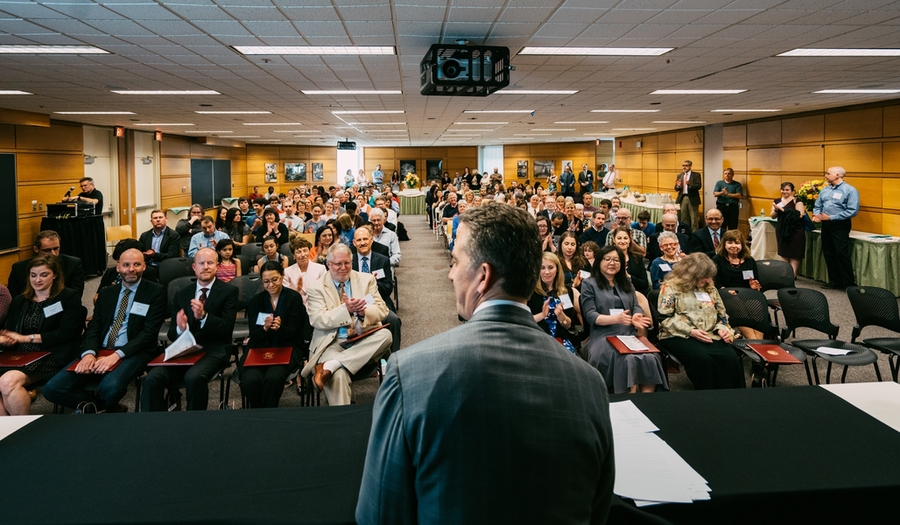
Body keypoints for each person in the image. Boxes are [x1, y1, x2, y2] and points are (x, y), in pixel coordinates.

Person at [356, 204, 614, 524]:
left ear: (483, 275)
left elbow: (379, 514)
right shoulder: (590, 382)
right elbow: (599, 507)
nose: (450, 274)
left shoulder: (408, 373)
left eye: (455, 262)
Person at [43, 248, 166, 412]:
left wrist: (116, 355)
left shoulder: (156, 292)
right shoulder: (107, 293)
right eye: (126, 265)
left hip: (133, 351)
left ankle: (93, 411)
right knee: (52, 388)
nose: (131, 269)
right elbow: (94, 327)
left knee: (110, 387)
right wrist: (88, 354)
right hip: (100, 350)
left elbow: (148, 334)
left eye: (137, 264)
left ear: (144, 266)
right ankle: (99, 408)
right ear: (118, 267)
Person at [140, 248, 238, 411]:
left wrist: (204, 316)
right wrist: (180, 328)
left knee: (193, 377)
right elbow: (172, 334)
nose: (205, 267)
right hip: (185, 351)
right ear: (194, 267)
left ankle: (194, 423)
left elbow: (227, 329)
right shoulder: (181, 294)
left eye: (210, 263)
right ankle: (153, 424)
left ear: (217, 266)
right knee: (153, 378)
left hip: (214, 350)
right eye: (201, 263)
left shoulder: (229, 291)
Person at [301, 244, 392, 406]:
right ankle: (343, 420)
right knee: (338, 376)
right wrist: (346, 310)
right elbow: (318, 319)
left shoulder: (366, 280)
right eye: (338, 264)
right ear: (328, 264)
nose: (343, 268)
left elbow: (382, 310)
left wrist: (364, 311)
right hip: (332, 342)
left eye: (347, 263)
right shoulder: (316, 288)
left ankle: (332, 364)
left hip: (364, 338)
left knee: (386, 335)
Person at [0, 256, 83, 415]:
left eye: (43, 275)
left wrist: (27, 338)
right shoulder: (19, 301)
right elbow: (12, 332)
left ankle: (22, 430)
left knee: (7, 382)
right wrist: (5, 340)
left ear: (55, 275)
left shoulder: (68, 297)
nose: (37, 280)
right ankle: (6, 432)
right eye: (33, 275)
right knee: (4, 383)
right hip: (20, 355)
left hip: (51, 354)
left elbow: (67, 333)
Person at [581, 245, 667, 394]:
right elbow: (591, 316)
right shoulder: (589, 284)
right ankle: (628, 400)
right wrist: (617, 319)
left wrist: (635, 316)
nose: (612, 263)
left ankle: (647, 403)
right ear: (599, 261)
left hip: (628, 334)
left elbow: (636, 306)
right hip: (603, 335)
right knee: (626, 360)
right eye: (607, 259)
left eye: (616, 260)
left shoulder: (627, 283)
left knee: (650, 358)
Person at [657, 253, 744, 390]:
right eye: (705, 276)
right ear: (691, 274)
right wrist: (691, 331)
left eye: (710, 276)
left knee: (730, 358)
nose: (708, 280)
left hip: (710, 333)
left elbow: (722, 315)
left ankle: (732, 399)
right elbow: (664, 317)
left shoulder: (710, 288)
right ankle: (707, 398)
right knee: (702, 359)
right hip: (679, 334)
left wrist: (722, 328)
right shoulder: (670, 287)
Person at [239, 261, 308, 408]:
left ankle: (268, 414)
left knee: (273, 378)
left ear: (282, 276)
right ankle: (259, 412)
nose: (271, 285)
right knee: (250, 379)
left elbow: (294, 332)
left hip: (286, 346)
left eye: (275, 279)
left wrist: (280, 328)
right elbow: (254, 336)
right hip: (260, 348)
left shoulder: (293, 298)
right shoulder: (256, 302)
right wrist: (265, 328)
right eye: (266, 281)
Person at [813, 166, 859, 289]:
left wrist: (832, 217)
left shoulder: (850, 190)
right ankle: (835, 281)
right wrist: (816, 215)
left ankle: (848, 283)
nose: (826, 175)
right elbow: (818, 205)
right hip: (826, 224)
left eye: (828, 173)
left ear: (838, 175)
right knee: (829, 252)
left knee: (841, 253)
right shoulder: (825, 190)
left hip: (840, 224)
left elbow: (852, 211)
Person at [528, 252, 580, 354]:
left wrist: (562, 317)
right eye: (542, 268)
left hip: (560, 340)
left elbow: (569, 325)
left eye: (550, 267)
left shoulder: (565, 291)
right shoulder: (530, 291)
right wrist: (542, 315)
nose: (546, 272)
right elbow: (524, 320)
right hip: (537, 339)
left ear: (557, 270)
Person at [7, 230, 85, 298]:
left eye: (56, 248)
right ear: (36, 249)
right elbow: (15, 297)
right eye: (47, 250)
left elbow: (76, 294)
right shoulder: (19, 268)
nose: (53, 253)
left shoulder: (73, 264)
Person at [771, 182, 806, 277]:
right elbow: (772, 216)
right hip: (782, 229)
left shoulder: (797, 200)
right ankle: (785, 273)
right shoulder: (777, 201)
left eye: (787, 190)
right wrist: (776, 210)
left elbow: (800, 214)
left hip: (795, 229)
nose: (785, 192)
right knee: (784, 252)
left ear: (792, 191)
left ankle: (793, 274)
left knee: (795, 252)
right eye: (783, 189)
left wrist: (784, 210)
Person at [283, 237, 326, 306]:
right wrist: (297, 290)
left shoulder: (321, 269)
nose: (303, 255)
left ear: (309, 251)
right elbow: (286, 296)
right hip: (295, 307)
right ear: (293, 256)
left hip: (317, 306)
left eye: (305, 250)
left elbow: (324, 290)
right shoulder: (287, 272)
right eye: (298, 252)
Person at [610, 226, 650, 294]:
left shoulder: (637, 258)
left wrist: (628, 276)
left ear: (629, 240)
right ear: (614, 240)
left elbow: (644, 284)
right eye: (619, 238)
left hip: (634, 294)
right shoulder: (606, 258)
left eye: (625, 238)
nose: (622, 241)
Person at [675, 160, 702, 231]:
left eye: (686, 165)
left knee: (694, 219)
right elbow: (676, 188)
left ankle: (695, 234)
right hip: (683, 198)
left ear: (690, 166)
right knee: (684, 218)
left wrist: (690, 184)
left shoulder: (696, 175)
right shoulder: (680, 175)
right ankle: (686, 234)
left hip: (693, 198)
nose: (684, 167)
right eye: (683, 165)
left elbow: (699, 186)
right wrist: (677, 186)